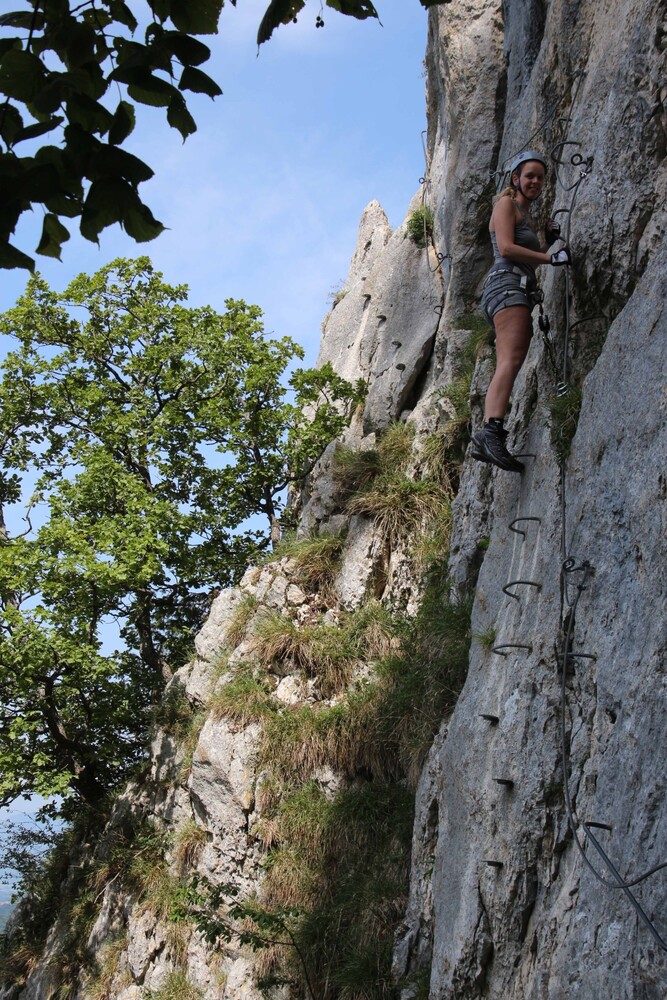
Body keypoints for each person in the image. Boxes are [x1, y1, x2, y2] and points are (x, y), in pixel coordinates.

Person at [471, 150, 571, 472]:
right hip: (506, 285)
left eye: (540, 177)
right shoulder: (506, 205)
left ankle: (490, 434)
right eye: (530, 175)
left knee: (511, 359)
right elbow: (508, 248)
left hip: (514, 285)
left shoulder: (526, 216)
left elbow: (526, 254)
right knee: (510, 360)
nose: (536, 182)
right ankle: (491, 433)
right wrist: (551, 259)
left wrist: (547, 244)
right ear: (516, 178)